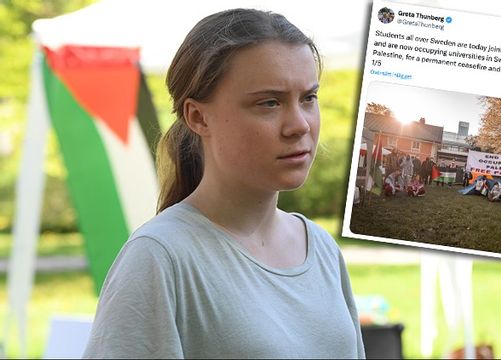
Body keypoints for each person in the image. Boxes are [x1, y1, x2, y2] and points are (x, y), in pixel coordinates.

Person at [83, 9, 365, 359]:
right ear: (198, 116)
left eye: (308, 98)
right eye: (269, 103)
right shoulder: (160, 256)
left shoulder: (321, 249)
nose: (299, 125)